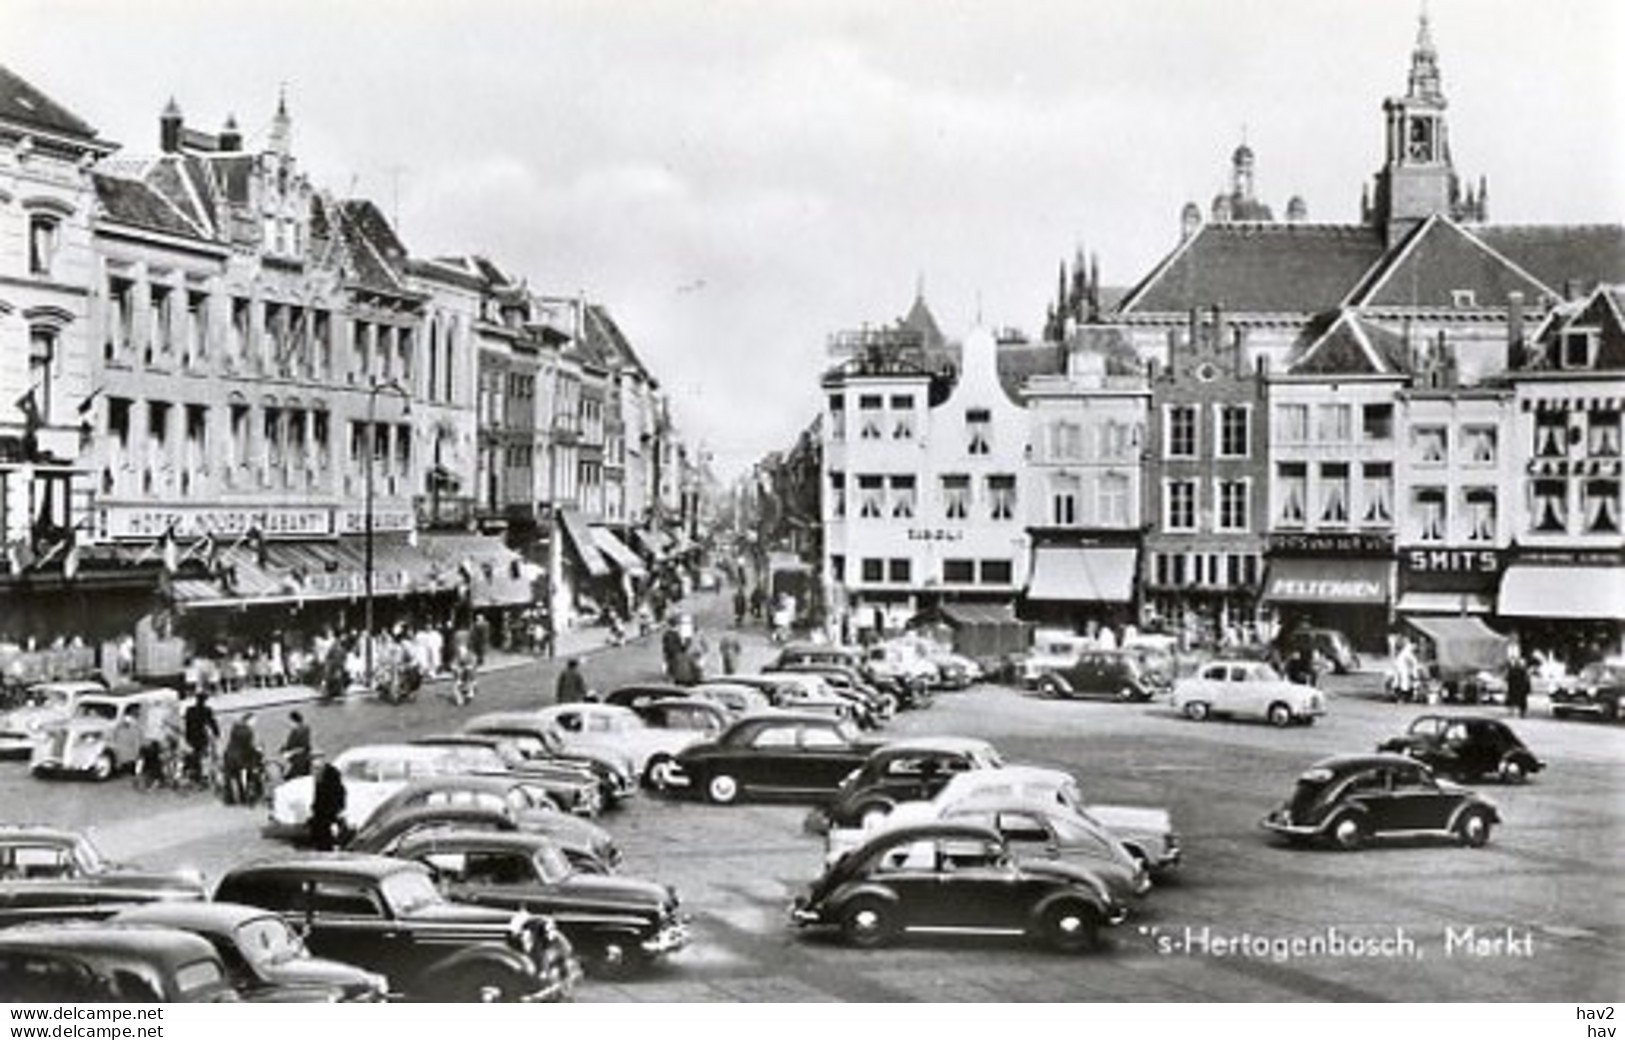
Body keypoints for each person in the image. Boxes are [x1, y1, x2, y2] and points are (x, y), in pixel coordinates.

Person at [221, 712, 263, 805]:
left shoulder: (235, 728)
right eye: (254, 720)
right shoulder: (248, 731)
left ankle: (229, 798)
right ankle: (247, 796)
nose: (255, 723)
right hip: (240, 758)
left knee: (231, 777)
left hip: (229, 755)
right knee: (252, 771)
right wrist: (257, 750)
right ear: (249, 720)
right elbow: (247, 747)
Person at [309, 760, 347, 851]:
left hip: (325, 814)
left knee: (323, 832)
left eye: (317, 769)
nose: (314, 772)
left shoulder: (327, 785)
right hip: (325, 813)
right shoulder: (324, 784)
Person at [182, 692, 219, 785]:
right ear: (204, 701)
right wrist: (216, 733)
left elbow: (186, 723)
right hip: (200, 736)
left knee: (195, 754)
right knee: (203, 754)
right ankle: (201, 775)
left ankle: (194, 772)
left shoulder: (189, 710)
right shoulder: (206, 710)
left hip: (190, 736)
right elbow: (212, 722)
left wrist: (186, 735)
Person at [279, 711, 312, 780]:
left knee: (289, 778)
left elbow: (303, 747)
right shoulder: (298, 729)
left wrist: (290, 753)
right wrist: (283, 749)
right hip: (297, 760)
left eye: (289, 721)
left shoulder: (301, 730)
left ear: (293, 721)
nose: (288, 724)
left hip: (300, 761)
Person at [1506, 654, 1531, 719]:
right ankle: (1519, 712)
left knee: (1519, 700)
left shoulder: (1516, 670)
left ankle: (1519, 712)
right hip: (1518, 687)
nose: (1522, 663)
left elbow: (1509, 679)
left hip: (1519, 688)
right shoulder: (1519, 670)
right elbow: (1509, 679)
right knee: (1519, 700)